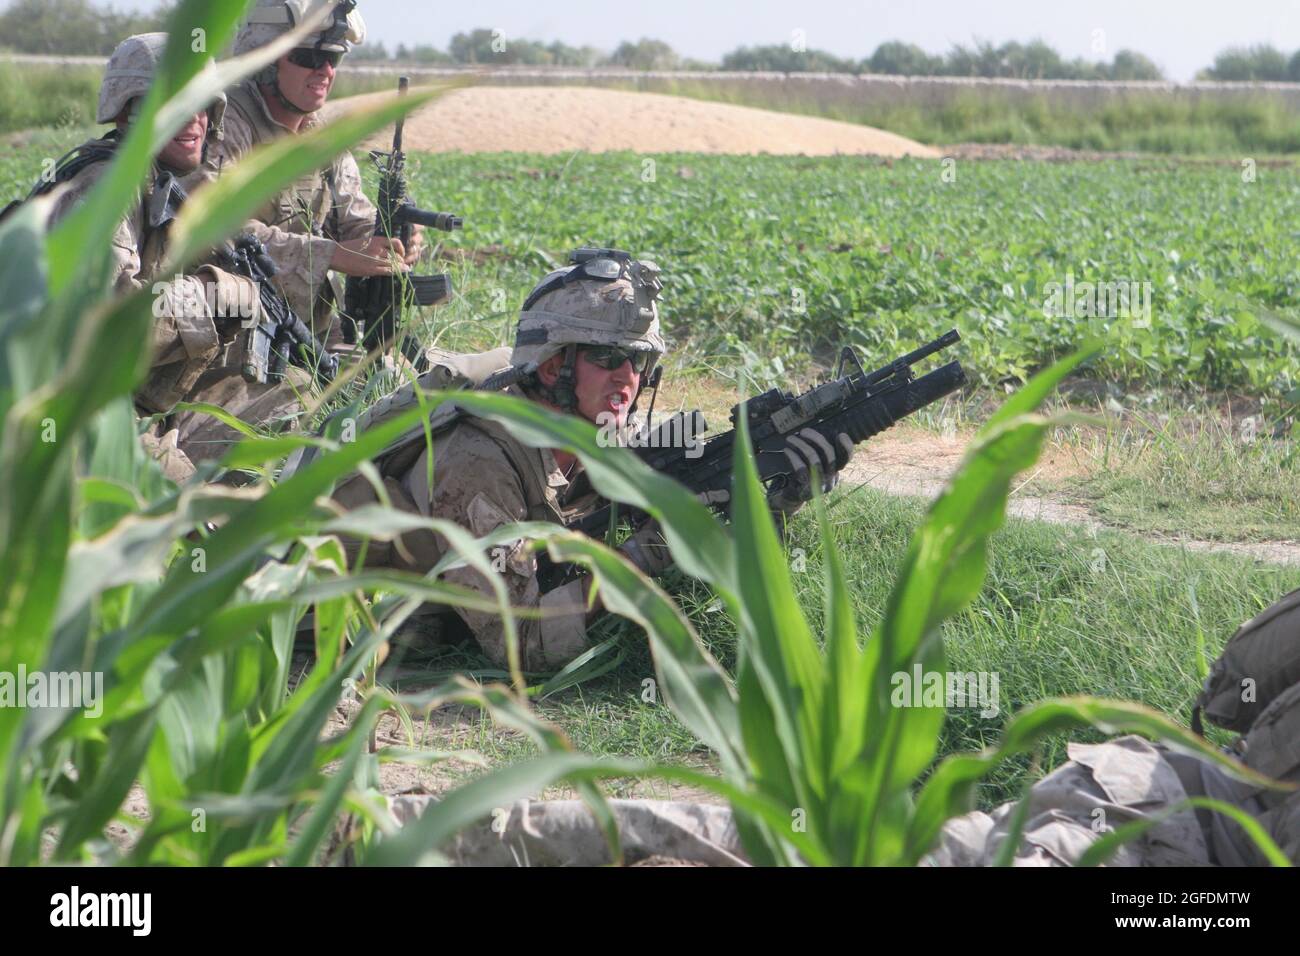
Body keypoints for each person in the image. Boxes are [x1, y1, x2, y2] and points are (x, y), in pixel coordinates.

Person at [330, 249, 855, 672]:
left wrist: (779, 492)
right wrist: (652, 549)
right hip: (327, 616)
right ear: (553, 363)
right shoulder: (476, 461)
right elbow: (524, 646)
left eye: (640, 360)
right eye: (607, 358)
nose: (628, 377)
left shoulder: (594, 427)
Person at [29, 33, 306, 479]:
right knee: (195, 516)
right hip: (68, 412)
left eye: (202, 106)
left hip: (112, 400)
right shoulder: (105, 190)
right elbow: (103, 330)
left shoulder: (153, 186)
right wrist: (213, 294)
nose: (193, 121)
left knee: (294, 396)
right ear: (127, 111)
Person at [216, 0, 423, 357]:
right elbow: (217, 231)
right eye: (309, 58)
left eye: (334, 58)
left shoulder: (322, 138)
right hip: (234, 338)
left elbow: (356, 218)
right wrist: (332, 255)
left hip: (314, 335)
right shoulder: (225, 123)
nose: (325, 70)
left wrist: (389, 239)